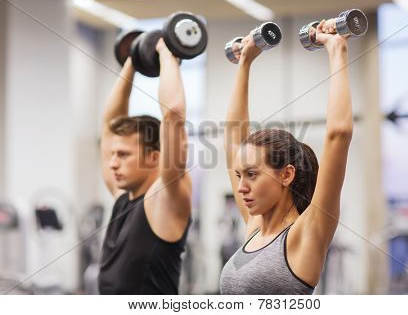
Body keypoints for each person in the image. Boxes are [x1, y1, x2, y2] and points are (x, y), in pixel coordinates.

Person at [220, 19, 353, 294]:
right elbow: (234, 137)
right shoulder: (255, 227)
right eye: (239, 175)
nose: (241, 187)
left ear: (286, 174)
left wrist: (336, 48)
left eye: (252, 174)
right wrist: (245, 61)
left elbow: (338, 134)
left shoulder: (306, 235)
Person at [98, 38, 192, 294]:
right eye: (113, 154)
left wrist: (166, 53)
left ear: (154, 157)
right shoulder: (122, 198)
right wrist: (134, 59)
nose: (113, 163)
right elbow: (110, 123)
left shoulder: (166, 199)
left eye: (124, 155)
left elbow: (173, 113)